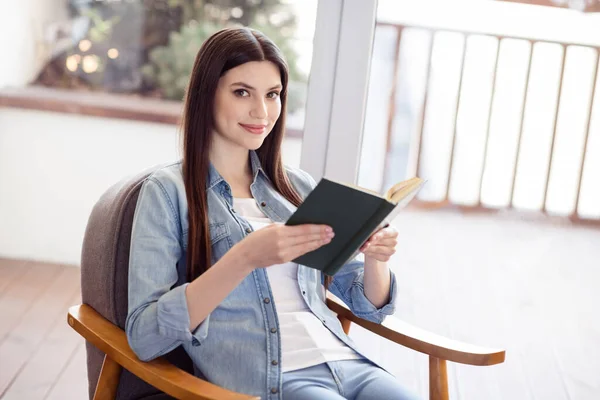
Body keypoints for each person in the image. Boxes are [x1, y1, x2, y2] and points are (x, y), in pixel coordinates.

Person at [126, 27, 419, 400]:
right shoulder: (168, 193)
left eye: (273, 95)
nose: (261, 112)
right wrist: (245, 257)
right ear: (206, 94)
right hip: (271, 379)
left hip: (346, 365)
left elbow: (367, 306)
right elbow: (145, 334)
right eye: (242, 92)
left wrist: (377, 259)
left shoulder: (295, 188)